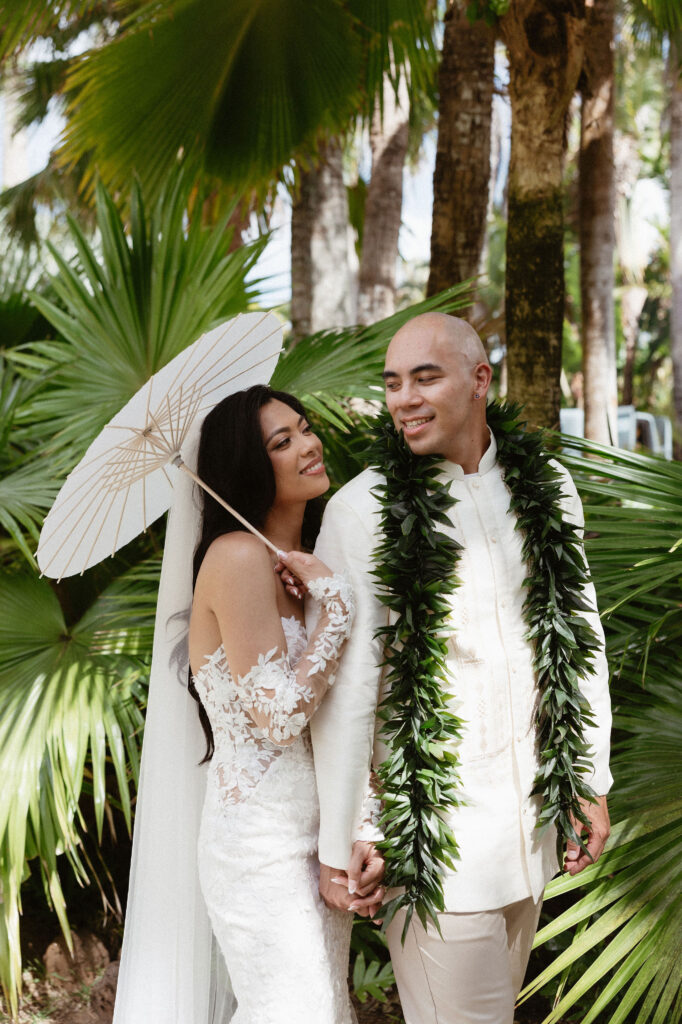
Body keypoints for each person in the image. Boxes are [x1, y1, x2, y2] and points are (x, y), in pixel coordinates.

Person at [305, 313, 613, 1024]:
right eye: (392, 383)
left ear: (480, 380)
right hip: (434, 846)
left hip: (531, 830)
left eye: (425, 377)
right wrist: (349, 828)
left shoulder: (548, 485)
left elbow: (580, 637)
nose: (404, 399)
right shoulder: (362, 511)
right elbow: (349, 693)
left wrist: (589, 781)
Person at [113, 385, 381, 1024]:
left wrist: (358, 826)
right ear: (248, 467)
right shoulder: (235, 557)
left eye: (305, 427)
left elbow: (343, 716)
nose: (309, 444)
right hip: (259, 846)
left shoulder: (308, 563)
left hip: (320, 837)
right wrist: (336, 609)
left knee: (327, 1008)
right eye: (282, 441)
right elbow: (279, 719)